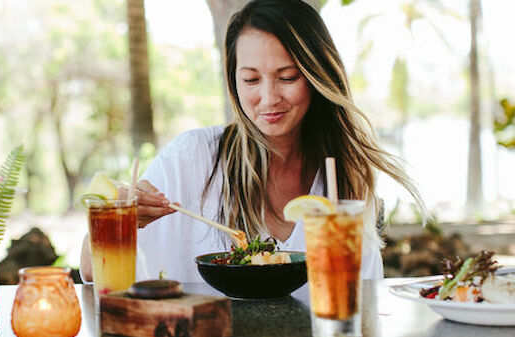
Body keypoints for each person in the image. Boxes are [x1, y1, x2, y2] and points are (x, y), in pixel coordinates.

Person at [80, 0, 425, 283]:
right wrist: (121, 219)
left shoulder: (343, 178)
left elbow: (361, 296)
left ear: (319, 76)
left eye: (287, 77)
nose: (268, 97)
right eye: (250, 79)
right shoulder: (193, 159)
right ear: (234, 82)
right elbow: (92, 271)